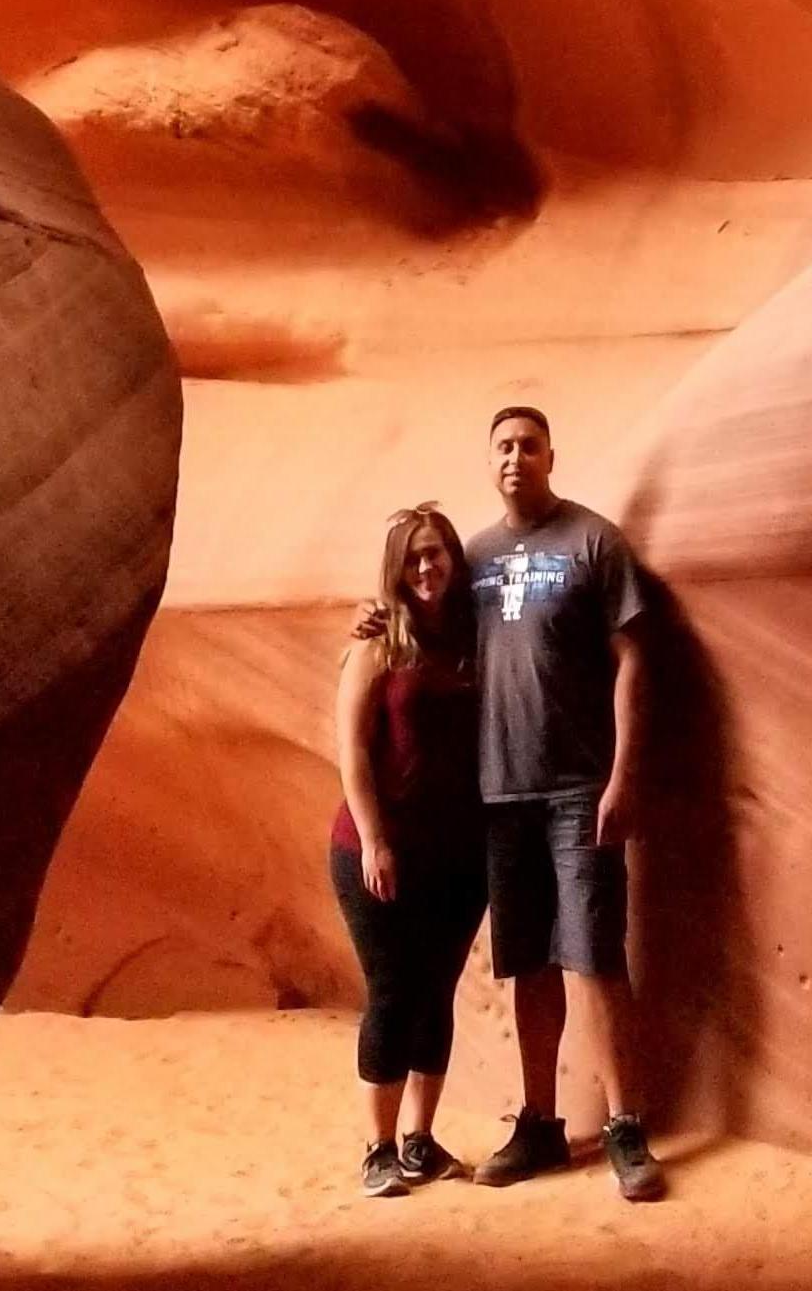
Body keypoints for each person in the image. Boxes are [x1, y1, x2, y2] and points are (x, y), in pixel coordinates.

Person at [465, 405, 665, 1203]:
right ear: (490, 462)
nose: (516, 457)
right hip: (498, 790)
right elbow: (426, 635)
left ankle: (625, 1126)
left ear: (551, 454)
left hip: (577, 788)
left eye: (528, 445)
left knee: (594, 954)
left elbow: (633, 658)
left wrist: (624, 776)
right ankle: (540, 1123)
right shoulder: (474, 556)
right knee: (527, 961)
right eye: (503, 447)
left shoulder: (592, 541)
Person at [329, 504, 490, 1199]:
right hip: (378, 847)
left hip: (459, 850)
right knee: (393, 990)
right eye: (413, 557)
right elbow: (353, 750)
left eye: (437, 554)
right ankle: (378, 1148)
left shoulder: (470, 641)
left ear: (454, 560)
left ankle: (421, 1141)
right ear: (396, 567)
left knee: (436, 992)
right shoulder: (375, 647)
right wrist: (374, 838)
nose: (427, 568)